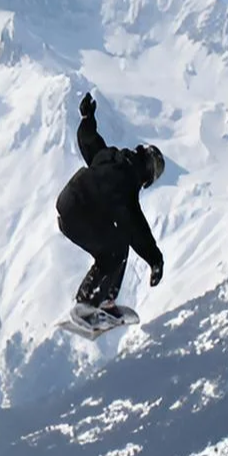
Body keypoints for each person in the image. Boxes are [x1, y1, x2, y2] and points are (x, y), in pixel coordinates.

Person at [55, 92, 165, 324]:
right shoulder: (127, 183)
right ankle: (90, 305)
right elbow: (136, 228)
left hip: (67, 204)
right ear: (147, 172)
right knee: (116, 250)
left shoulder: (110, 157)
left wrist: (87, 118)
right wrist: (155, 260)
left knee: (114, 248)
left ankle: (98, 302)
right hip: (80, 213)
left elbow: (88, 140)